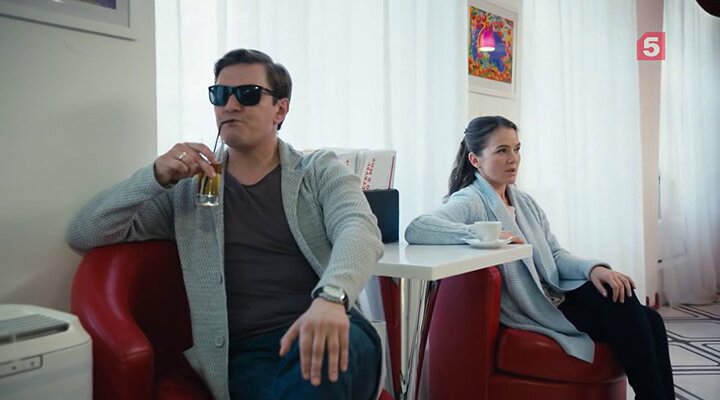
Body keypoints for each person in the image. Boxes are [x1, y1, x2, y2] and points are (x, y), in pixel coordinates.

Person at [66, 49, 384, 400]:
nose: (230, 105)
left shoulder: (318, 170)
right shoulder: (190, 190)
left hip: (330, 322)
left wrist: (332, 298)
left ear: (280, 110)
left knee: (319, 361)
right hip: (249, 354)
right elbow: (84, 232)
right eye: (220, 94)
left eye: (248, 94)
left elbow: (359, 227)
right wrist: (155, 175)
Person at [405, 115, 675, 399]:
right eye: (502, 151)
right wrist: (484, 235)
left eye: (516, 149)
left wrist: (594, 270)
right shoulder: (470, 200)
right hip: (531, 307)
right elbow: (418, 227)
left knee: (641, 311)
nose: (513, 159)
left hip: (557, 294)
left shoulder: (524, 201)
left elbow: (555, 254)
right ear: (475, 160)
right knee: (633, 314)